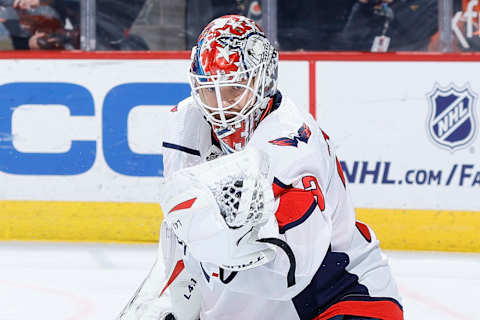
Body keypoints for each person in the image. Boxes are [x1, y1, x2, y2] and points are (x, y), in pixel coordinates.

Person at [117, 15, 403, 320]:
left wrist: (218, 244)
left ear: (263, 79)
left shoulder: (292, 142)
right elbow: (182, 235)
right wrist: (173, 302)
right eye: (208, 90)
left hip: (340, 296)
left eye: (233, 89)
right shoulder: (185, 124)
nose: (219, 106)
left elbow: (293, 273)